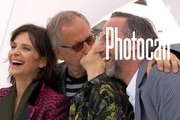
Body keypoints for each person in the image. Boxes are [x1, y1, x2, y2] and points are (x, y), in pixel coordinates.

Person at [47, 10, 180, 101]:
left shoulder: (112, 67)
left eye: (90, 39)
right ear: (58, 53)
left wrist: (163, 52)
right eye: (77, 46)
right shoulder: (50, 79)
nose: (89, 48)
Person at [96, 12, 180, 120]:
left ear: (134, 44)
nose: (98, 49)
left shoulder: (162, 75)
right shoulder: (131, 89)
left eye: (108, 39)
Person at [0, 24, 70, 120]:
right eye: (13, 46)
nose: (15, 52)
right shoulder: (0, 96)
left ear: (43, 61)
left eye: (26, 48)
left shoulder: (55, 103)